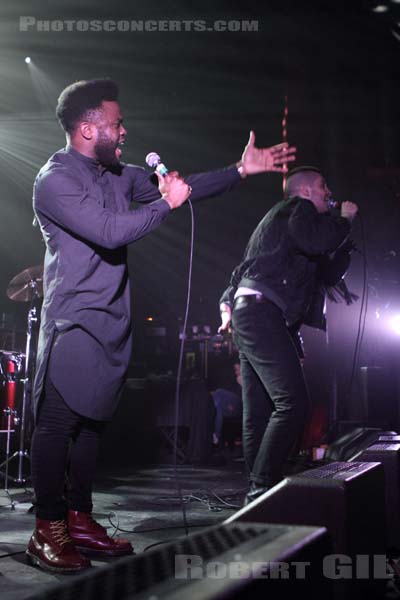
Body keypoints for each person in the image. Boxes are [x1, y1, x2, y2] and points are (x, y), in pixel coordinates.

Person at [27, 77, 296, 573]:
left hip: (112, 320)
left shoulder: (116, 173)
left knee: (91, 426)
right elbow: (110, 231)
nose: (124, 130)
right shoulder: (56, 178)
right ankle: (47, 527)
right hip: (74, 322)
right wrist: (165, 205)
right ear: (88, 129)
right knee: (59, 425)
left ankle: (79, 518)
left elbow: (182, 188)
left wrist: (240, 169)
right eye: (116, 123)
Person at [219, 166, 358, 505]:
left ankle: (257, 493)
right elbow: (317, 240)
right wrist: (345, 220)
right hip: (261, 313)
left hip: (253, 313)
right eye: (323, 185)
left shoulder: (282, 225)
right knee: (293, 403)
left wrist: (344, 247)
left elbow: (323, 270)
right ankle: (262, 486)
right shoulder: (299, 209)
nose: (328, 192)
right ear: (306, 190)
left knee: (260, 410)